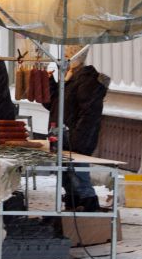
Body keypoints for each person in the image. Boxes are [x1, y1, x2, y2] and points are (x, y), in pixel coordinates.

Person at [43, 46, 110, 212]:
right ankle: (74, 206)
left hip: (76, 138)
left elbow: (89, 114)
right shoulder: (69, 78)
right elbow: (54, 105)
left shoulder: (86, 80)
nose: (63, 59)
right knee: (66, 176)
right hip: (63, 135)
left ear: (77, 58)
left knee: (79, 176)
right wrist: (49, 83)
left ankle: (89, 208)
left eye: (67, 55)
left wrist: (76, 138)